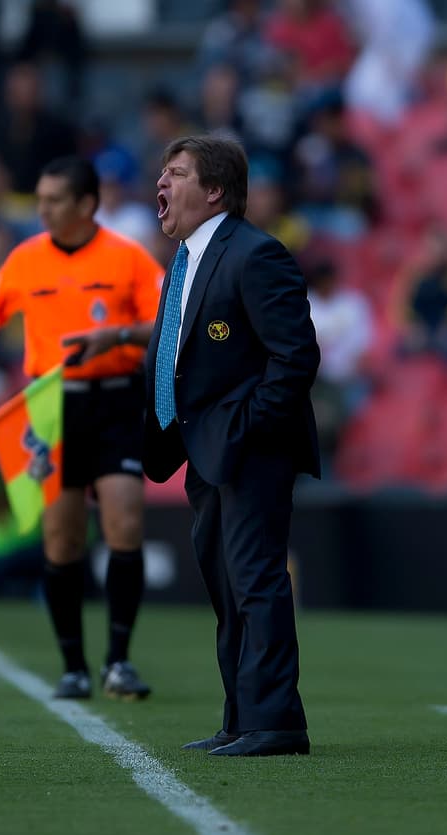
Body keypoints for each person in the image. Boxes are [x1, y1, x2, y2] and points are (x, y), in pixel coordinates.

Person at [0, 156, 164, 701]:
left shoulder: (127, 258)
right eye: (41, 198)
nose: (42, 208)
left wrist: (120, 336)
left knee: (124, 519)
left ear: (87, 205)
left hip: (116, 400)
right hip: (50, 408)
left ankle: (118, 661)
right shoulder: (25, 259)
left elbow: (169, 323)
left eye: (53, 200)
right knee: (62, 535)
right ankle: (73, 665)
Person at [145, 135, 319, 757]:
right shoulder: (187, 261)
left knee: (256, 581)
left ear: (215, 191)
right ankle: (242, 718)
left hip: (250, 451)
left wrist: (244, 428)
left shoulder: (256, 254)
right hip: (206, 452)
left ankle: (276, 722)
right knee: (227, 587)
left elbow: (296, 357)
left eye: (177, 174)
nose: (160, 185)